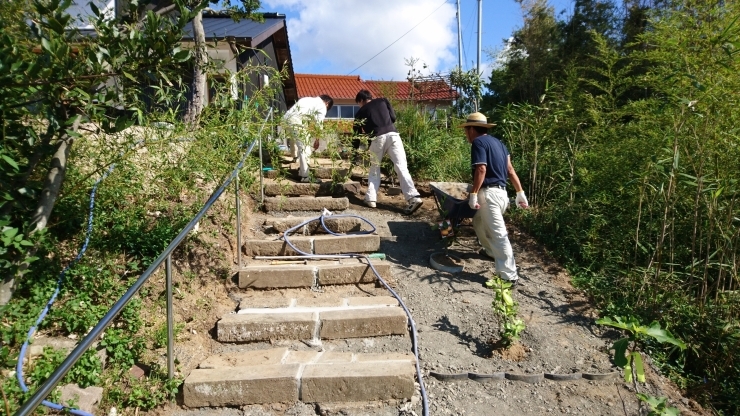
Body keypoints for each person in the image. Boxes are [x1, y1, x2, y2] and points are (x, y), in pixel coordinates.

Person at [461, 112, 529, 285]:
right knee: (478, 223)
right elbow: (510, 169)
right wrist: (519, 192)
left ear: (470, 130)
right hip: (502, 195)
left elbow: (481, 169)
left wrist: (474, 193)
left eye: (465, 130)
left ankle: (508, 276)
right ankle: (491, 252)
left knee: (498, 235)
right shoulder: (499, 143)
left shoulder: (478, 143)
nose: (466, 134)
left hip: (489, 195)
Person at [353, 89, 423, 215]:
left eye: (359, 103)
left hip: (377, 138)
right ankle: (413, 197)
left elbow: (356, 135)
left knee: (375, 168)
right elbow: (393, 118)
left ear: (361, 100)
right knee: (401, 167)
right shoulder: (383, 100)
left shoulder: (360, 112)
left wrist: (354, 154)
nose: (359, 105)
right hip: (393, 135)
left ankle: (371, 199)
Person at [282, 94, 334, 182]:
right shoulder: (322, 105)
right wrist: (317, 140)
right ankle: (306, 176)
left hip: (286, 119)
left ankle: (301, 171)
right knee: (305, 148)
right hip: (296, 121)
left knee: (299, 143)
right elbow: (319, 124)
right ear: (327, 103)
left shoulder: (307, 99)